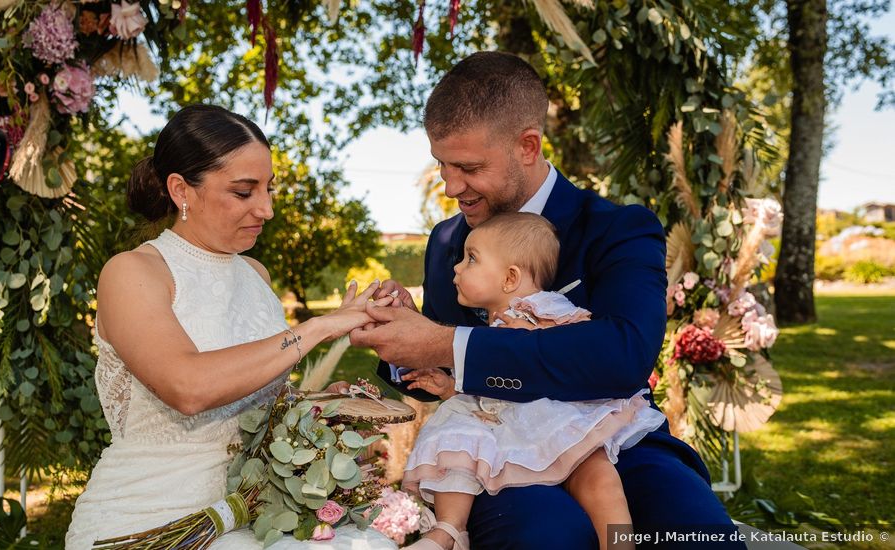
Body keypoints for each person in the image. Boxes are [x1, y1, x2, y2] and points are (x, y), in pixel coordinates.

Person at [350, 52, 745, 549]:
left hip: (616, 439)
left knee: (698, 534)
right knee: (549, 536)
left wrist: (443, 343)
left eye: (468, 167)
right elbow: (440, 377)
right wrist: (402, 337)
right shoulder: (448, 240)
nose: (452, 187)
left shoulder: (617, 229)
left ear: (528, 146)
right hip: (496, 451)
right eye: (442, 166)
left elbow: (622, 356)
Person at [65, 105, 396, 550]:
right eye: (244, 192)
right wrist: (317, 328)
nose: (268, 208)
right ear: (182, 189)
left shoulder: (255, 275)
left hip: (259, 511)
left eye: (269, 188)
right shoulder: (133, 272)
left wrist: (319, 407)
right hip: (151, 516)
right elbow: (188, 387)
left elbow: (257, 404)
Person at [398, 212, 666, 550]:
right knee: (458, 445)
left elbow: (582, 344)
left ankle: (619, 544)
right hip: (513, 424)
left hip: (561, 417)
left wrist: (539, 336)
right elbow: (490, 391)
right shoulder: (492, 325)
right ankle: (448, 531)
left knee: (598, 478)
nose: (458, 268)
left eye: (472, 259)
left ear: (510, 278)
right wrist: (450, 387)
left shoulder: (543, 307)